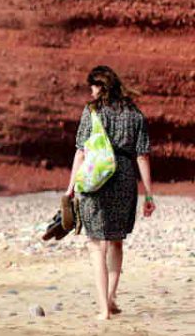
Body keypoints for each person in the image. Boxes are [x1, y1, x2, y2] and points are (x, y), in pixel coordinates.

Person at [65, 65, 154, 321]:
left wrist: (71, 187)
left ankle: (103, 309)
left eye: (92, 87)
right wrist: (148, 194)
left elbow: (81, 151)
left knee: (96, 245)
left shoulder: (92, 111)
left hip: (96, 177)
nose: (91, 93)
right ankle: (112, 298)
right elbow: (142, 155)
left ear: (100, 86)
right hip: (125, 177)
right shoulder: (135, 113)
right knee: (115, 241)